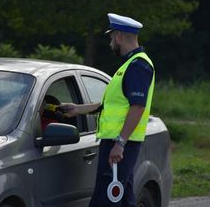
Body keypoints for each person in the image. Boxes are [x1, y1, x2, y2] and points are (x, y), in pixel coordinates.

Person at [60, 13, 155, 207]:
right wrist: (77, 109)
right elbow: (112, 106)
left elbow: (138, 107)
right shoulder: (130, 65)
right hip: (118, 143)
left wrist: (120, 143)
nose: (111, 42)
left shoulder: (138, 66)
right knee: (123, 199)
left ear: (119, 36)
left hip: (120, 144)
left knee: (105, 201)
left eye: (111, 37)